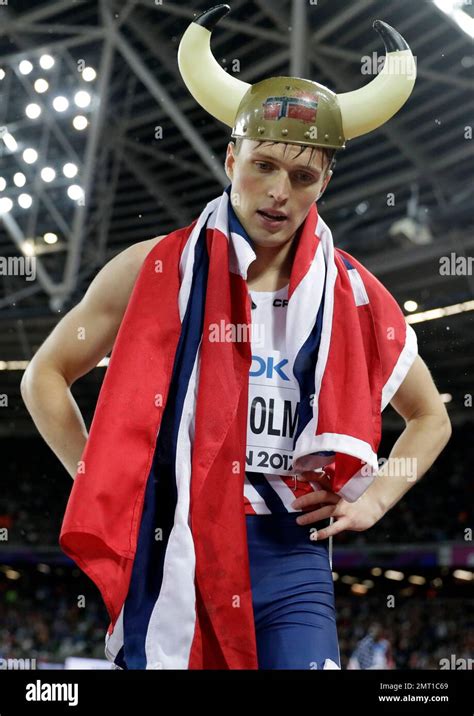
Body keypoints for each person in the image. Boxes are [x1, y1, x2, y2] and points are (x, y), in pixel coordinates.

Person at [21, 5, 451, 670]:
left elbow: (431, 417)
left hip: (291, 555)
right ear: (231, 157)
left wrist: (378, 499)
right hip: (175, 540)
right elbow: (42, 376)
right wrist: (102, 473)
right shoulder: (151, 268)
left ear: (324, 182)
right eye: (263, 165)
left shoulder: (356, 295)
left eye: (303, 176)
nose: (278, 192)